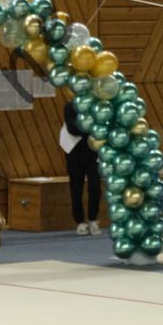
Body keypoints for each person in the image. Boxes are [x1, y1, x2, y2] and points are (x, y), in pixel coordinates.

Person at [60, 99, 101, 235]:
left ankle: (93, 219)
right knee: (76, 187)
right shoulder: (70, 107)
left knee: (95, 187)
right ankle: (80, 222)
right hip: (74, 153)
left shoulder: (95, 106)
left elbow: (100, 127)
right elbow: (72, 129)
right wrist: (90, 129)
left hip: (93, 153)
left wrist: (87, 129)